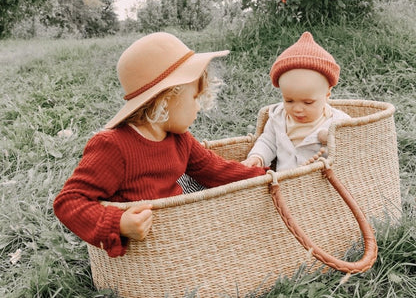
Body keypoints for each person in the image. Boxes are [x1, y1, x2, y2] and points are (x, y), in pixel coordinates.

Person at [53, 32, 267, 258]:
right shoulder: (113, 146)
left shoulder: (179, 139)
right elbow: (69, 200)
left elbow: (216, 170)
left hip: (176, 234)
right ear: (165, 98)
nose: (198, 108)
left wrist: (264, 174)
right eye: (195, 97)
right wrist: (120, 222)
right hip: (145, 250)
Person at [242, 32, 350, 171]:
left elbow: (351, 150)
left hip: (323, 186)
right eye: (289, 100)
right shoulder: (278, 118)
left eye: (308, 102)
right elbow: (268, 142)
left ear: (327, 94)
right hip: (283, 184)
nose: (297, 109)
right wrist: (257, 157)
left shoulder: (338, 122)